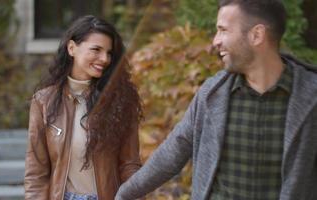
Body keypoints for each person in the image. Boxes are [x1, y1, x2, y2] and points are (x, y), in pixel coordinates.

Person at [115, 0, 317, 199]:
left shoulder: (310, 97)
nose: (215, 41)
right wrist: (124, 194)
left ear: (257, 35)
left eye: (223, 30)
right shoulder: (213, 94)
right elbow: (172, 153)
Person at [24, 15, 142, 200]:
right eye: (96, 50)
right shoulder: (43, 101)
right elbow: (36, 172)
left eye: (109, 53)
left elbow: (129, 165)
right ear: (72, 48)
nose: (104, 59)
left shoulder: (120, 101)